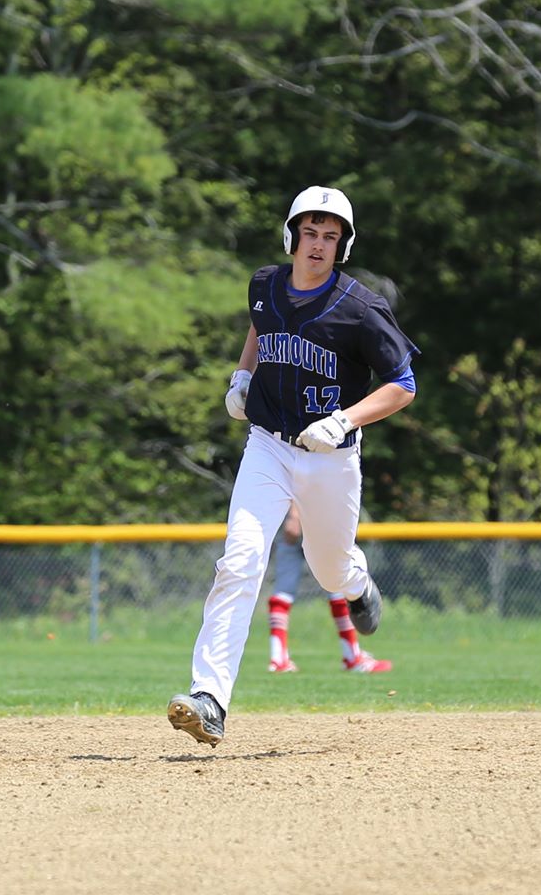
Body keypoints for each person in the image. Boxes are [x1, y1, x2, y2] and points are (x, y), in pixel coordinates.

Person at [168, 185, 420, 747]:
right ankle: (209, 699)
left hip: (330, 456)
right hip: (267, 446)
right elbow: (263, 325)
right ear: (291, 235)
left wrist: (345, 420)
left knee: (328, 567)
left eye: (331, 236)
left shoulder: (360, 308)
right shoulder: (264, 284)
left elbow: (403, 385)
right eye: (310, 232)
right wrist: (242, 374)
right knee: (239, 562)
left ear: (343, 246)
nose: (318, 244)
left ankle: (356, 585)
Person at [268, 502, 393, 673]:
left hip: (298, 514)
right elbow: (302, 477)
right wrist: (295, 514)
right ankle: (352, 657)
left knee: (285, 593)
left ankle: (278, 659)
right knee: (337, 585)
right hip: (314, 517)